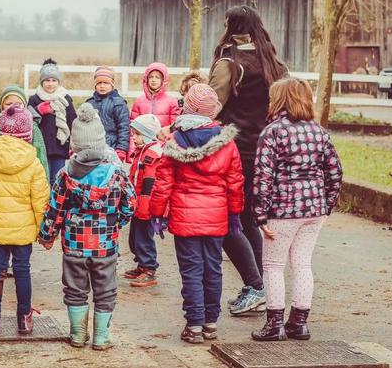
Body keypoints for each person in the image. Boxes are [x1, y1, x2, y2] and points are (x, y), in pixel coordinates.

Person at [208, 5, 288, 315]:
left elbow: (211, 108)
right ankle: (261, 286)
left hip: (233, 152)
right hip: (266, 151)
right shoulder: (276, 64)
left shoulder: (230, 63)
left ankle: (255, 285)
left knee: (226, 223)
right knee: (249, 221)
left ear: (231, 26)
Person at [150, 84, 244, 344]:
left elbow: (164, 182)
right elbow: (235, 181)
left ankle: (194, 325)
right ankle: (211, 323)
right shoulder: (226, 141)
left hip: (185, 218)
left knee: (191, 270)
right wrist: (235, 213)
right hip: (216, 218)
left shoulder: (175, 141)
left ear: (187, 107)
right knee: (213, 268)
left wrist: (157, 214)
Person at [38, 103, 136, 351]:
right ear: (101, 142)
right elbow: (131, 204)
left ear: (75, 145)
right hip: (105, 245)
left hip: (74, 245)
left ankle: (78, 334)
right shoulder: (117, 173)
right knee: (105, 291)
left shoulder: (65, 174)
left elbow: (55, 209)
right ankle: (101, 337)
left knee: (75, 290)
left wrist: (47, 235)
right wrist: (116, 223)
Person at [251, 78, 343, 341]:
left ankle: (274, 324)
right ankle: (299, 323)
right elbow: (335, 172)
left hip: (282, 211)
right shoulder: (319, 132)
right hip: (314, 210)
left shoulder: (273, 132)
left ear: (280, 100)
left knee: (273, 266)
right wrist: (326, 205)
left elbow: (263, 175)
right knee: (302, 264)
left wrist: (259, 213)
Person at [0, 105, 50, 335]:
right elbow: (40, 201)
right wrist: (42, 230)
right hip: (23, 230)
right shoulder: (33, 163)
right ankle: (24, 319)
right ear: (27, 134)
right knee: (23, 270)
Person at [124, 114, 164, 288]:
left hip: (146, 204)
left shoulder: (152, 153)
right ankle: (141, 263)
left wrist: (145, 204)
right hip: (137, 202)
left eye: (137, 134)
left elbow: (150, 180)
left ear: (147, 134)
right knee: (134, 237)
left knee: (143, 237)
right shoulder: (142, 151)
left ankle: (149, 268)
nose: (134, 138)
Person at [28, 59, 77, 183]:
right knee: (42, 179)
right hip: (41, 146)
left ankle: (55, 202)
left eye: (54, 80)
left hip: (60, 146)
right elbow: (29, 122)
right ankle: (43, 202)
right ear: (41, 81)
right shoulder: (34, 100)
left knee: (57, 180)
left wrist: (73, 144)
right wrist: (38, 111)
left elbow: (72, 122)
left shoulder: (65, 99)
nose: (50, 84)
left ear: (58, 82)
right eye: (47, 80)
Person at [0, 85, 48, 175]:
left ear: (25, 106)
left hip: (27, 174)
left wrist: (44, 181)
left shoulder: (33, 128)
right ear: (1, 107)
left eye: (19, 103)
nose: (13, 107)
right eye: (8, 104)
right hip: (2, 174)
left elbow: (41, 156)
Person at [85, 66, 130, 162]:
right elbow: (83, 127)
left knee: (110, 174)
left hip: (112, 147)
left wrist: (121, 148)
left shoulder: (118, 103)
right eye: (99, 83)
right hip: (92, 147)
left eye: (105, 83)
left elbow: (124, 127)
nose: (102, 86)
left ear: (112, 84)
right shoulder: (89, 104)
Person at [130, 62, 180, 128]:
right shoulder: (139, 101)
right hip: (143, 138)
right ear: (146, 79)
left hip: (163, 137)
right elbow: (133, 125)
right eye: (151, 77)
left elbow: (174, 126)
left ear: (163, 80)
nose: (154, 80)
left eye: (157, 77)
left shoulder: (172, 101)